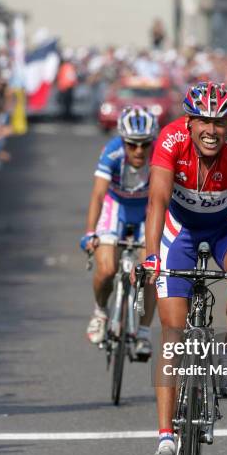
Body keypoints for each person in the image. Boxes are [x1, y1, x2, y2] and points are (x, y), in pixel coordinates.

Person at [142, 81, 227, 455]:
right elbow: (157, 202)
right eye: (204, 122)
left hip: (225, 229)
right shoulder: (170, 138)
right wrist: (149, 257)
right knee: (173, 333)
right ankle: (165, 439)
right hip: (179, 231)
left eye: (221, 122)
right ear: (190, 121)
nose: (212, 130)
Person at [80, 106, 158, 359]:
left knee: (152, 271)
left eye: (144, 145)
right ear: (123, 141)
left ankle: (144, 332)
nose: (138, 151)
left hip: (147, 210)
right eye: (132, 144)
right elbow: (98, 195)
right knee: (107, 269)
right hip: (117, 208)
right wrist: (90, 232)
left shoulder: (161, 154)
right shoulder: (112, 152)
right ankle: (101, 312)